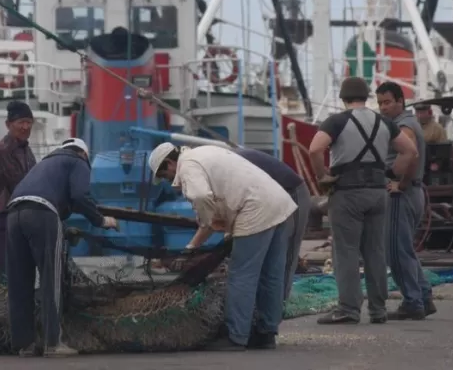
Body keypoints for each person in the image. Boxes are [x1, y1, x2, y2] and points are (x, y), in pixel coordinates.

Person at [148, 143, 296, 351]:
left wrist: (207, 221)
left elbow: (201, 197)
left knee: (242, 275)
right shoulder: (205, 152)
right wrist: (193, 245)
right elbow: (216, 204)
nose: (168, 180)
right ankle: (266, 333)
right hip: (279, 203)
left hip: (255, 210)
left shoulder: (188, 165)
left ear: (171, 163)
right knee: (270, 275)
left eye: (165, 175)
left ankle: (236, 336)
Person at [308, 77, 418, 325]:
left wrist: (323, 176)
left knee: (346, 251)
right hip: (378, 193)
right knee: (375, 252)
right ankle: (378, 311)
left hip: (347, 193)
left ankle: (348, 308)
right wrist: (392, 174)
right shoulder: (384, 122)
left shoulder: (337, 121)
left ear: (343, 98)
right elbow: (410, 151)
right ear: (366, 96)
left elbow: (315, 149)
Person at [6, 138, 119, 358]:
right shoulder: (77, 161)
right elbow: (80, 195)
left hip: (14, 213)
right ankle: (53, 342)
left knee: (19, 282)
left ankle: (25, 344)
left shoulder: (46, 163)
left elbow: (65, 200)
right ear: (83, 154)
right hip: (42, 213)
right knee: (51, 278)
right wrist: (101, 221)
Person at [181, 146, 310, 301]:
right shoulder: (218, 167)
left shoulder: (231, 167)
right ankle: (265, 306)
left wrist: (193, 246)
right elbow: (215, 216)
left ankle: (280, 303)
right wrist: (193, 246)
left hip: (291, 192)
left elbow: (210, 220)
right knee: (263, 264)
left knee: (285, 255)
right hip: (267, 200)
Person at [376, 81, 437, 320]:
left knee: (396, 252)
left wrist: (399, 184)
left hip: (402, 194)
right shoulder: (405, 123)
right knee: (405, 249)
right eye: (380, 103)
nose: (383, 108)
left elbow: (411, 154)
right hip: (413, 192)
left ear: (401, 101)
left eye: (388, 102)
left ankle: (412, 301)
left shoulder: (404, 127)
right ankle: (423, 295)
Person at [0, 101, 37, 273]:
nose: (25, 127)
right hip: (7, 214)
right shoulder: (2, 150)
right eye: (21, 122)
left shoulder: (25, 149)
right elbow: (19, 182)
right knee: (9, 266)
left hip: (22, 213)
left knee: (23, 265)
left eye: (28, 122)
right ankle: (7, 298)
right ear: (8, 125)